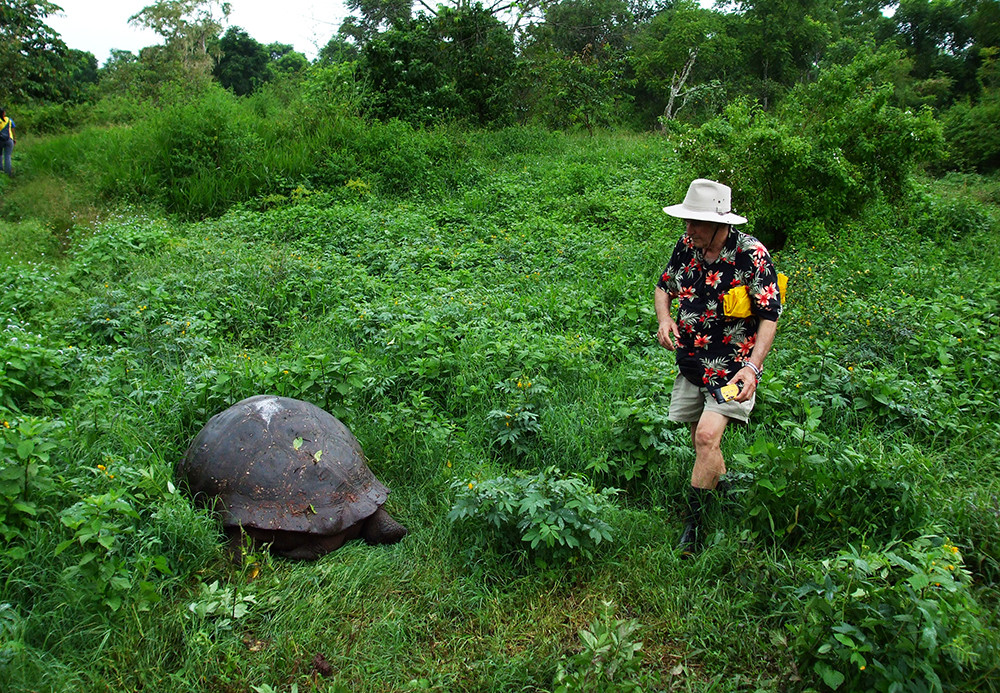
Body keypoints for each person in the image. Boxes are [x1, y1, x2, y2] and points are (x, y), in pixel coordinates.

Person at [654, 178, 782, 556]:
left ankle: (692, 530)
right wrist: (664, 319)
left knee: (707, 438)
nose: (688, 230)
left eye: (696, 223)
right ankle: (728, 497)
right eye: (687, 222)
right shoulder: (686, 248)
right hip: (692, 363)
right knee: (702, 441)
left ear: (721, 225)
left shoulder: (752, 256)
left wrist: (754, 368)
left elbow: (769, 316)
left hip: (732, 369)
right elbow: (664, 287)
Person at [0, 108, 15, 176]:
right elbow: (13, 129)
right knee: (8, 155)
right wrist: (14, 139)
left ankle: (1, 170)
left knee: (0, 155)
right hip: (9, 139)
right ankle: (8, 172)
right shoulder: (9, 120)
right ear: (4, 113)